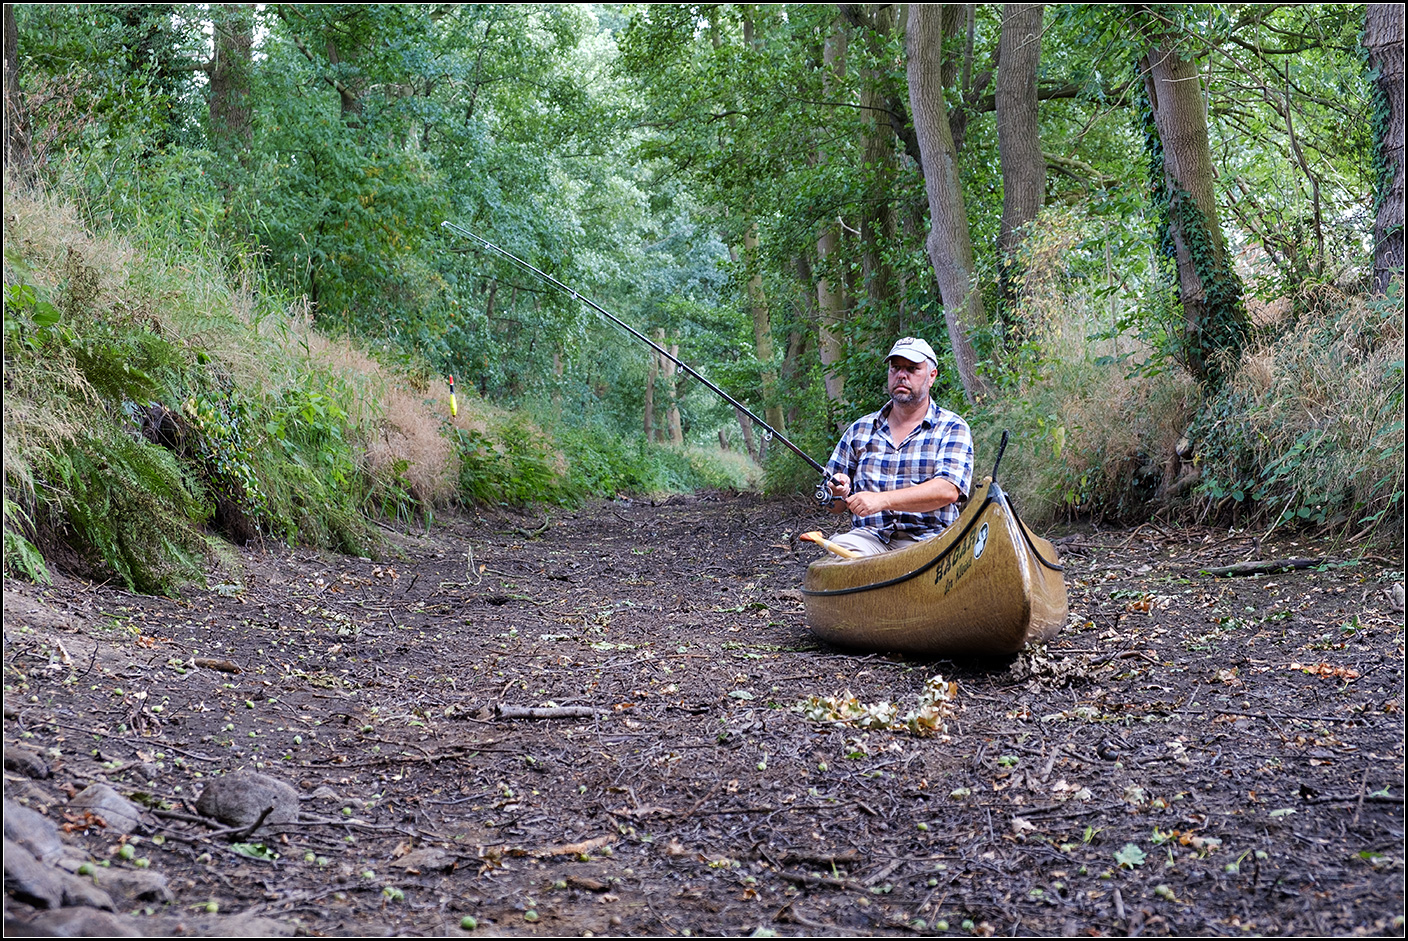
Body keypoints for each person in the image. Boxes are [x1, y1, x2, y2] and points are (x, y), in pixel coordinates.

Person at [823, 337, 974, 557]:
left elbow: (948, 490)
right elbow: (832, 504)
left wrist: (881, 500)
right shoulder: (860, 430)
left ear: (932, 377)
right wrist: (836, 491)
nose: (902, 375)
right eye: (896, 368)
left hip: (931, 541)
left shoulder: (952, 428)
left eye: (912, 369)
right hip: (868, 539)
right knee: (840, 551)